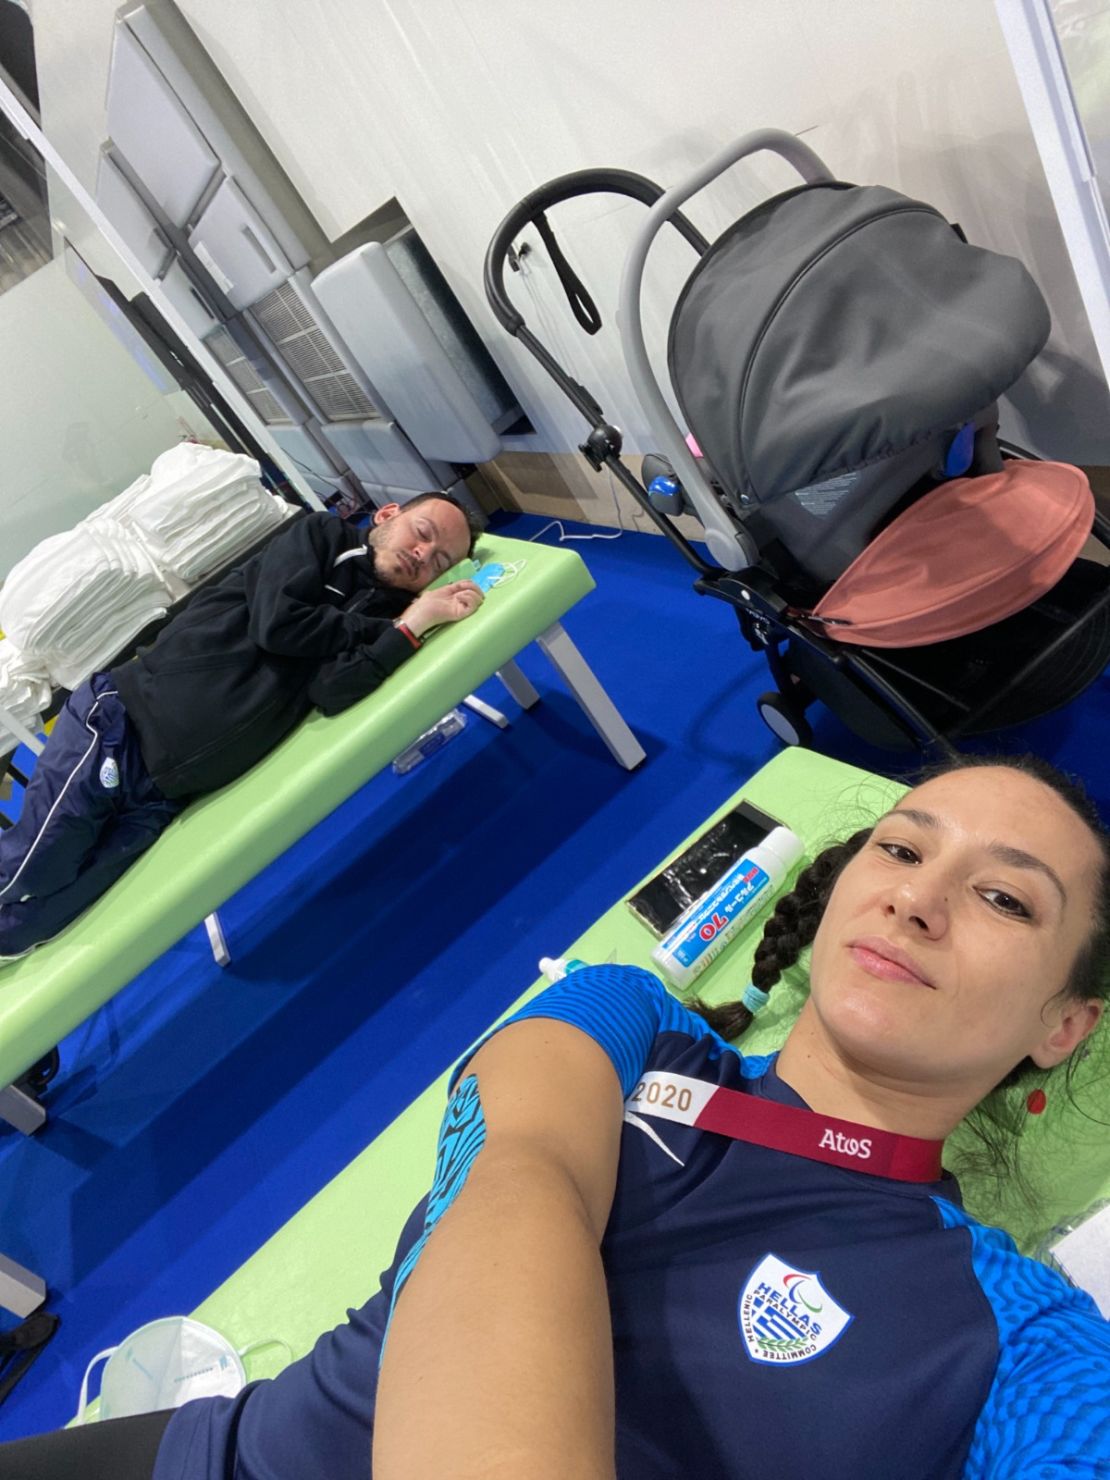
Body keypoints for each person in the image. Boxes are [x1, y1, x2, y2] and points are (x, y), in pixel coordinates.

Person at [3, 753, 1109, 1479]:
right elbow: (519, 1172)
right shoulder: (624, 1018)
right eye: (904, 848)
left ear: (1062, 1025)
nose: (918, 896)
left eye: (1005, 898)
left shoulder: (1021, 1343)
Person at [0, 494, 483, 959]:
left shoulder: (388, 613)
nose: (422, 555)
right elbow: (279, 624)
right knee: (32, 870)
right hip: (120, 728)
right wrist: (381, 630)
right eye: (422, 534)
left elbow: (332, 690)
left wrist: (408, 627)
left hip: (165, 794)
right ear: (388, 515)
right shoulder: (321, 536)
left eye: (439, 561)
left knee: (48, 917)